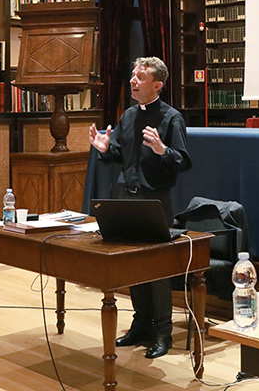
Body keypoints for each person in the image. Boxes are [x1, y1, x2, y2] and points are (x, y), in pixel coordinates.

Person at [88, 56, 192, 359]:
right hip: (126, 197)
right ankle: (141, 325)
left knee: (156, 268)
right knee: (133, 265)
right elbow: (119, 154)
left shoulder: (172, 118)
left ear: (157, 85)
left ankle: (162, 333)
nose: (133, 81)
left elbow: (183, 161)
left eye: (141, 77)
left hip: (155, 200)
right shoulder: (129, 115)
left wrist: (163, 150)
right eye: (133, 75)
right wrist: (105, 149)